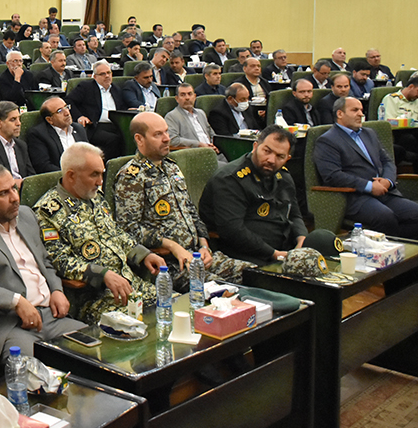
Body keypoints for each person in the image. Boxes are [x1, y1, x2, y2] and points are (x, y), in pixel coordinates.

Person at [0, 163, 85, 360]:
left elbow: (44, 261)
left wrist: (57, 289)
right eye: (3, 193)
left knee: (100, 356)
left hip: (53, 317)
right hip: (14, 325)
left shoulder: (26, 215)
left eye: (14, 188)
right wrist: (16, 301)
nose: (14, 198)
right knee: (31, 373)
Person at [114, 113, 253, 291]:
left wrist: (204, 245)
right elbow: (128, 229)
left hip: (197, 255)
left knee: (255, 274)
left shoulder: (172, 167)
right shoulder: (131, 177)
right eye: (158, 134)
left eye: (166, 132)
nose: (166, 138)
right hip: (169, 264)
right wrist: (172, 246)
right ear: (139, 139)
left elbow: (190, 210)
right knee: (223, 290)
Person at [33, 142, 165, 322]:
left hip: (132, 285)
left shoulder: (95, 197)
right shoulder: (48, 211)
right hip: (96, 298)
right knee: (136, 328)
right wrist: (102, 274)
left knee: (174, 305)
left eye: (102, 174)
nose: (100, 182)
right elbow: (58, 260)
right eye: (94, 174)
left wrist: (143, 254)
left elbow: (116, 233)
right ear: (71, 175)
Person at [199, 126, 306, 265]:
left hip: (284, 247)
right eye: (267, 151)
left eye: (280, 156)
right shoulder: (231, 179)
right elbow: (233, 231)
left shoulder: (283, 177)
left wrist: (302, 240)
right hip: (246, 254)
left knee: (323, 240)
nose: (271, 160)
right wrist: (274, 254)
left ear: (287, 158)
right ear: (255, 147)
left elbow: (295, 215)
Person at [314, 97, 418, 237]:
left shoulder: (369, 133)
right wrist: (369, 186)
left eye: (361, 110)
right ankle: (390, 246)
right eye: (355, 110)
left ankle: (399, 245)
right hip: (355, 197)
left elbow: (387, 161)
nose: (361, 114)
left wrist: (387, 181)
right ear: (340, 114)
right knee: (385, 217)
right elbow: (333, 176)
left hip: (385, 192)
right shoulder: (327, 140)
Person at [67, 60, 124, 159]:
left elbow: (122, 107)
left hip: (115, 125)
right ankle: (103, 165)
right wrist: (80, 117)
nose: (107, 76)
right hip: (94, 126)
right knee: (113, 139)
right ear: (95, 77)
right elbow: (68, 101)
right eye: (103, 74)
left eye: (109, 72)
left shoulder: (116, 89)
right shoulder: (86, 87)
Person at [25, 96, 89, 173]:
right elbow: (43, 166)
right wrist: (71, 174)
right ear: (49, 120)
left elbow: (88, 154)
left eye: (66, 107)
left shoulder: (79, 128)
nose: (67, 113)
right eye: (60, 111)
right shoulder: (38, 134)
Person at [165, 83, 220, 154]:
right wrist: (199, 144)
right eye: (183, 95)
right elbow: (173, 140)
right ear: (177, 99)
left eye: (190, 94)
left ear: (195, 96)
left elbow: (211, 134)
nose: (187, 98)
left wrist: (213, 145)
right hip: (193, 154)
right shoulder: (172, 116)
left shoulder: (201, 113)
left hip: (212, 152)